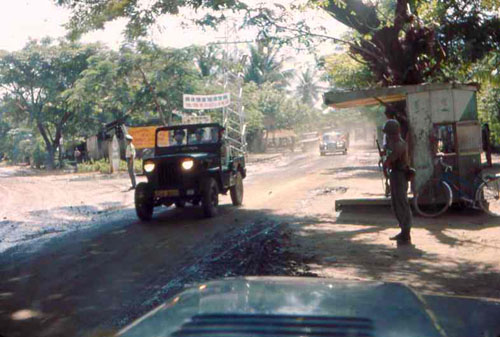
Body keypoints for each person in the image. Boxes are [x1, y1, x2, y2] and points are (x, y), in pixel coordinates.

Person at [382, 119, 413, 244]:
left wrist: (385, 165)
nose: (388, 136)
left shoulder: (399, 144)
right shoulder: (395, 144)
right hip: (396, 175)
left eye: (389, 134)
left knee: (401, 204)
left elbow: (389, 161)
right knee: (396, 204)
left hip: (399, 176)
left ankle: (406, 232)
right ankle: (403, 231)